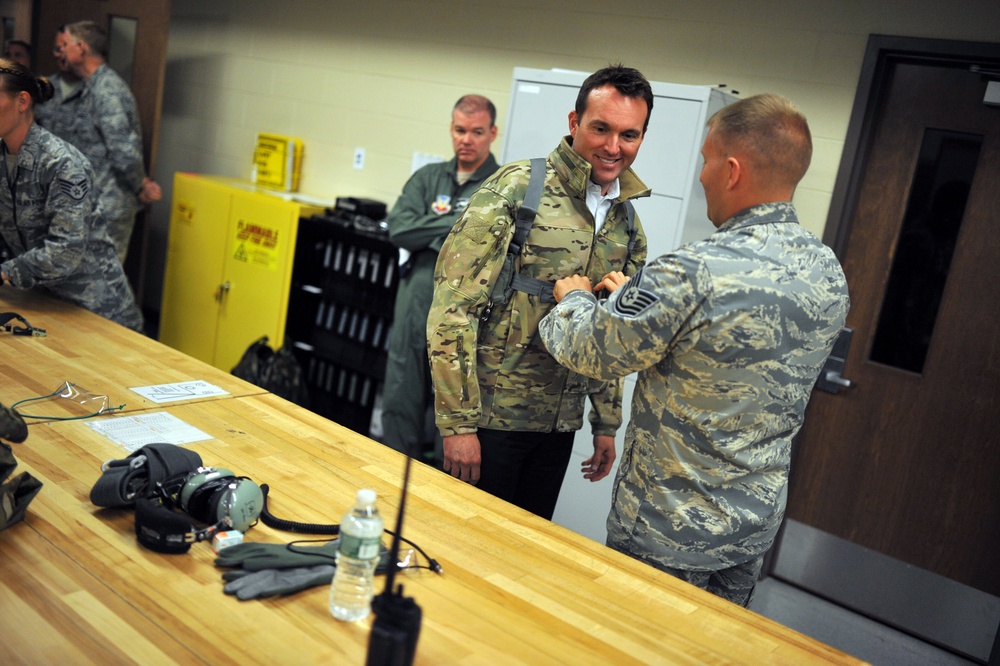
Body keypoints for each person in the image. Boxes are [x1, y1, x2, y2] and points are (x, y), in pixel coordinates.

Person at [538, 94, 850, 606]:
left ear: (731, 170)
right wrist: (631, 303)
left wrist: (574, 300)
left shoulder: (691, 271)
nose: (701, 175)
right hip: (750, 527)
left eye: (706, 161)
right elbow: (726, 345)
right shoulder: (826, 269)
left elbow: (589, 350)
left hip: (670, 530)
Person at [427, 65, 653, 519]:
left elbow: (610, 331)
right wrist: (457, 426)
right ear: (574, 123)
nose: (613, 147)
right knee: (467, 552)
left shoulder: (626, 222)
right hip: (491, 421)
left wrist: (606, 423)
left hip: (558, 427)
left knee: (525, 560)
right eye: (601, 128)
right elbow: (452, 312)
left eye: (629, 134)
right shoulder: (517, 190)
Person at [381, 94, 500, 460]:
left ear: (492, 133)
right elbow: (400, 229)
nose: (467, 139)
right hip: (417, 297)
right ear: (451, 129)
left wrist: (427, 233)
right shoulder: (428, 178)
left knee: (452, 390)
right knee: (402, 382)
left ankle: (440, 479)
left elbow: (495, 239)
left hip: (466, 307)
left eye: (477, 132)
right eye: (461, 130)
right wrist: (457, 223)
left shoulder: (500, 185)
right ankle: (391, 465)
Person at [0, 58, 143, 331]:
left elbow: (65, 251)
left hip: (95, 309)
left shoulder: (62, 164)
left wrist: (5, 271)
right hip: (43, 302)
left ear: (22, 102)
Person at [51, 21, 161, 263]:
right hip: (91, 205)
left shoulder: (106, 90)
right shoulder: (92, 86)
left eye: (66, 45)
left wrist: (140, 185)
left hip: (109, 208)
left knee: (101, 285)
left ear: (81, 48)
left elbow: (122, 147)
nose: (61, 52)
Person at [34, 26, 83, 138]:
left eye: (66, 49)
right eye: (57, 49)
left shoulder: (93, 92)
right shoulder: (43, 87)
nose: (61, 55)